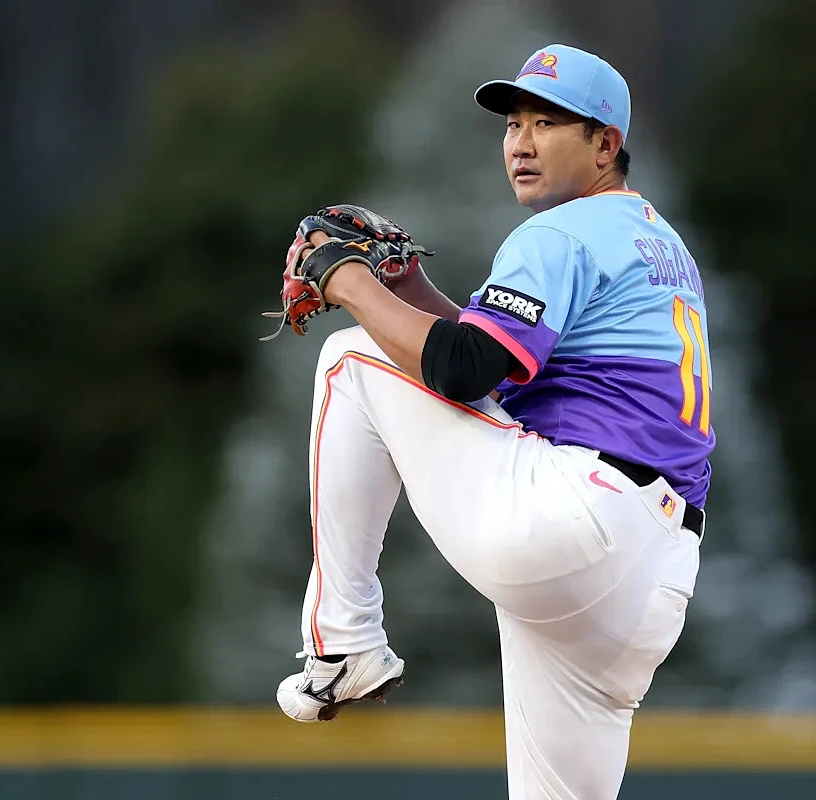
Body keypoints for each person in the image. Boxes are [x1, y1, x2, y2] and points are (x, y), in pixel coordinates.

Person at [275, 43, 715, 799]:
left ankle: (342, 643)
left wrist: (346, 280)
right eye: (514, 124)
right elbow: (502, 370)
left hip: (577, 518)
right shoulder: (655, 242)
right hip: (652, 579)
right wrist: (410, 290)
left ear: (605, 144)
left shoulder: (561, 232)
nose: (521, 143)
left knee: (350, 359)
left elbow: (462, 371)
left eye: (548, 123)